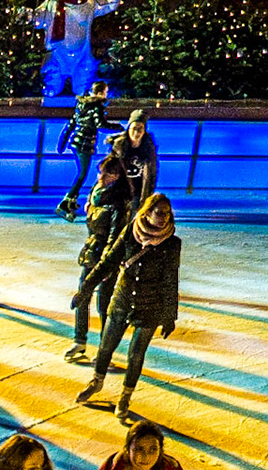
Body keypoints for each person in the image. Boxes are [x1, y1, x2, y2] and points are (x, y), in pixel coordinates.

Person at [73, 192, 182, 424]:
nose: (163, 218)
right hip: (122, 299)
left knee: (136, 355)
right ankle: (96, 382)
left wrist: (169, 316)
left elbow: (171, 280)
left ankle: (125, 396)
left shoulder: (172, 243)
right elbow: (108, 262)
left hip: (150, 306)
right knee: (105, 347)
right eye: (159, 212)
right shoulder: (132, 232)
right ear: (147, 212)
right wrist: (85, 289)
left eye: (167, 213)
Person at [65, 154, 131, 365]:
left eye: (108, 173)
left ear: (117, 177)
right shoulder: (96, 192)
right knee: (82, 296)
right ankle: (79, 341)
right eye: (101, 171)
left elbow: (114, 238)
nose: (102, 176)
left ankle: (105, 350)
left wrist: (107, 268)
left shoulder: (119, 204)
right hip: (90, 252)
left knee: (104, 305)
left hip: (106, 259)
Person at [54, 79, 119, 221]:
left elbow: (71, 123)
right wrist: (118, 127)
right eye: (106, 92)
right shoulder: (96, 106)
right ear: (101, 92)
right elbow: (100, 124)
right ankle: (66, 201)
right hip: (84, 145)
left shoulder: (82, 105)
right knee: (82, 174)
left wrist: (62, 143)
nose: (106, 95)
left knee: (81, 173)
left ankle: (71, 201)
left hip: (76, 143)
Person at [35, 0, 120, 97]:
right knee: (52, 84)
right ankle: (52, 90)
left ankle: (82, 95)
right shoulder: (52, 4)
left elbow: (108, 5)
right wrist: (28, 15)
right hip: (57, 55)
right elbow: (38, 19)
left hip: (81, 56)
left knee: (81, 86)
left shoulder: (89, 5)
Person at [109, 110, 158, 208]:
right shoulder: (119, 147)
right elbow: (107, 170)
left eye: (140, 129)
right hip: (120, 192)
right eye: (134, 128)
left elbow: (152, 175)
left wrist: (148, 197)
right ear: (128, 129)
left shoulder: (148, 148)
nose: (136, 132)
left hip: (138, 194)